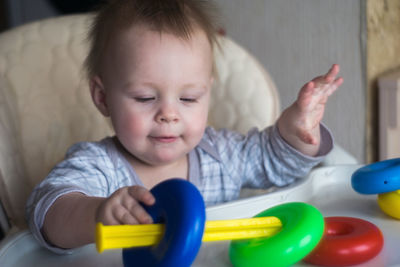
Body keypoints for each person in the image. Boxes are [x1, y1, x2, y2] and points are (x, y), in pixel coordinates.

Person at [26, 0, 343, 253]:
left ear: (208, 91)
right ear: (103, 97)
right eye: (145, 97)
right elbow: (46, 212)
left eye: (189, 98)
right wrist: (95, 213)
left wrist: (297, 130)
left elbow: (276, 163)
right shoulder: (99, 168)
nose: (168, 114)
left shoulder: (221, 155)